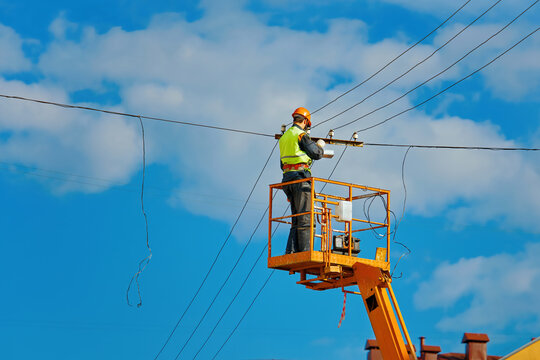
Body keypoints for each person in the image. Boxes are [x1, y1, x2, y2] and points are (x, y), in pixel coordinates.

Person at [279, 107, 325, 254]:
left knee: (296, 217)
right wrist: (320, 146)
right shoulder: (300, 135)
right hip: (300, 180)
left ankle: (291, 251)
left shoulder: (285, 137)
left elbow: (282, 164)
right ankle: (305, 252)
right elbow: (316, 154)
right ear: (305, 121)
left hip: (287, 180)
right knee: (305, 216)